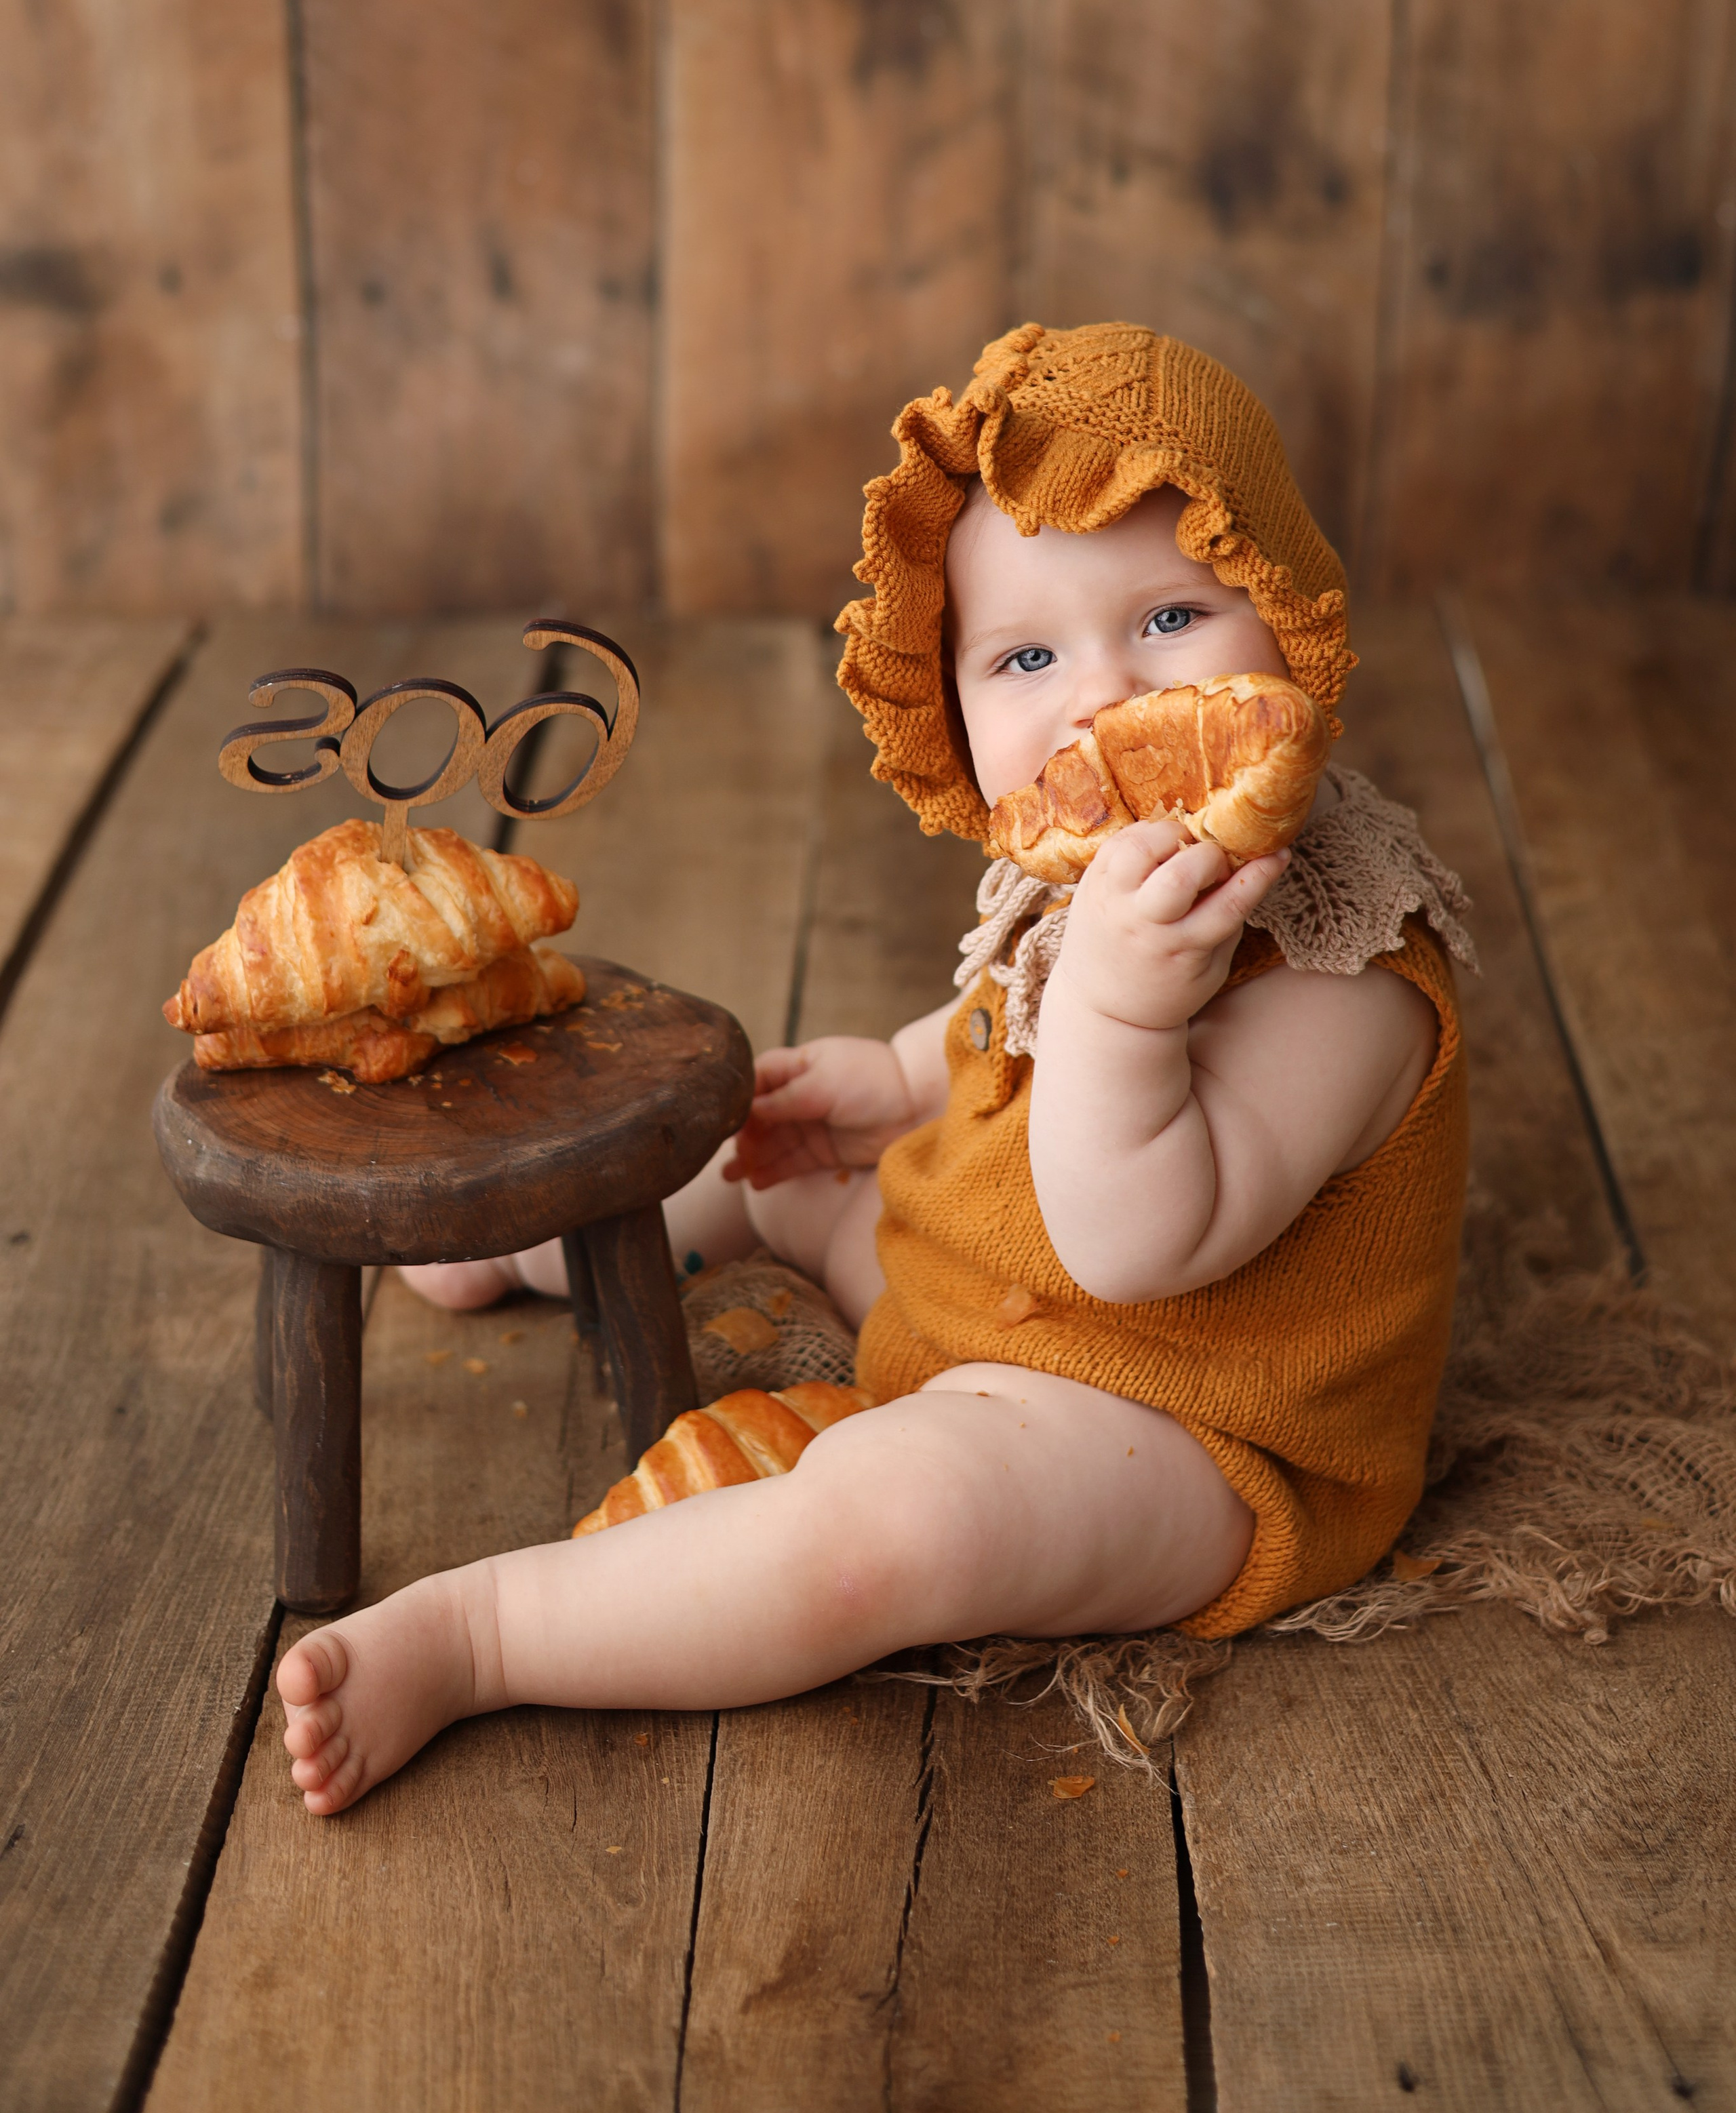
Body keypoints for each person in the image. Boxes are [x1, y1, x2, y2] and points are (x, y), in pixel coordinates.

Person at [279, 321, 1472, 1817]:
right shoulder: (1093, 867)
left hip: (1182, 1428)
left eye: (1167, 617)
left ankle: (485, 1633)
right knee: (770, 1146)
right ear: (959, 706)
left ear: (1280, 611)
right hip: (970, 1274)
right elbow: (1008, 1014)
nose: (1099, 698)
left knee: (893, 1526)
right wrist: (898, 1075)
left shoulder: (1345, 969)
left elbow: (1133, 1243)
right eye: (1028, 655)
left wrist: (1121, 1009)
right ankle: (523, 1252)